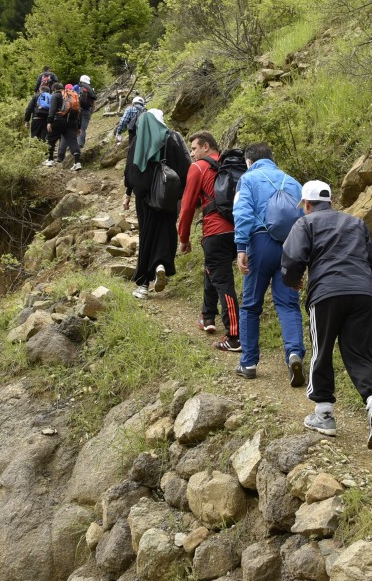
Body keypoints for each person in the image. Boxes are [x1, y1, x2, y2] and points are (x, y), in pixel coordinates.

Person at [282, 180, 372, 449]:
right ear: (330, 202)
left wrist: (292, 281)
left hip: (326, 293)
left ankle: (324, 414)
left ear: (306, 204)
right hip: (363, 293)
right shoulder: (355, 223)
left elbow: (293, 259)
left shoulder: (305, 224)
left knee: (322, 349)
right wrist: (358, 279)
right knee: (360, 353)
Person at [232, 142, 305, 384]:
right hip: (290, 247)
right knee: (288, 304)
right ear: (272, 158)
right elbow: (305, 218)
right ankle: (294, 353)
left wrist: (241, 246)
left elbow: (242, 212)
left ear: (249, 161)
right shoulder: (293, 182)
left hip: (260, 244)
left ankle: (249, 362)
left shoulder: (248, 179)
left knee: (251, 304)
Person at [178, 131, 240, 349]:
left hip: (216, 232)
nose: (192, 154)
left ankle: (234, 335)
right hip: (240, 230)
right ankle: (207, 316)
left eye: (194, 148)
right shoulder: (230, 166)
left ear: (206, 147)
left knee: (223, 281)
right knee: (212, 270)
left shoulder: (198, 168)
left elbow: (186, 208)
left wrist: (183, 238)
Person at [125, 109, 190, 300]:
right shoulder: (172, 138)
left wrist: (129, 192)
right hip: (168, 196)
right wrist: (181, 194)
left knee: (147, 234)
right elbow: (184, 168)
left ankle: (144, 285)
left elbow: (130, 171)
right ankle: (161, 264)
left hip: (145, 199)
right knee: (166, 229)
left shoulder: (139, 141)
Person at [45, 81, 83, 170]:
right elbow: (78, 112)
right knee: (73, 142)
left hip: (59, 120)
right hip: (72, 122)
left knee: (51, 139)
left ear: (54, 89)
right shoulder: (72, 95)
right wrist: (78, 127)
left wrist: (49, 122)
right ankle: (77, 163)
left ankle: (50, 160)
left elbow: (53, 109)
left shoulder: (56, 95)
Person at [77, 75, 97, 148]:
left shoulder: (77, 87)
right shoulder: (91, 89)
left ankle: (74, 144)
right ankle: (80, 144)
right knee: (83, 128)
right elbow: (94, 102)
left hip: (77, 110)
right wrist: (91, 111)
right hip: (87, 111)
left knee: (76, 127)